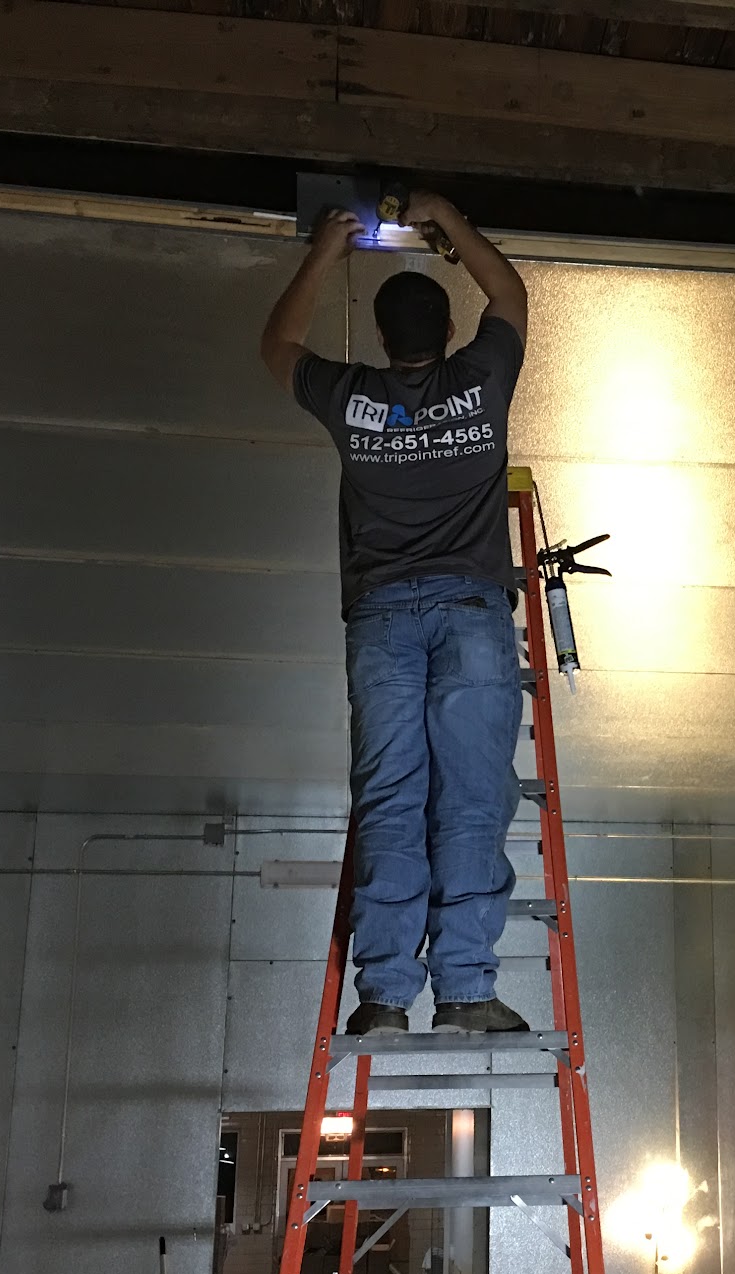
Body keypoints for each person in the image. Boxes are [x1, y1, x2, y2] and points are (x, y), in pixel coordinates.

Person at [261, 191, 532, 1037]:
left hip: (382, 621)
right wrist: (448, 216)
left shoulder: (352, 399)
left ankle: (382, 998)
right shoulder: (482, 380)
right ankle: (465, 992)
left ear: (381, 340)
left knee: (391, 798)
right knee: (472, 800)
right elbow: (509, 292)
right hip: (471, 617)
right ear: (449, 332)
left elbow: (278, 347)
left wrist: (325, 252)